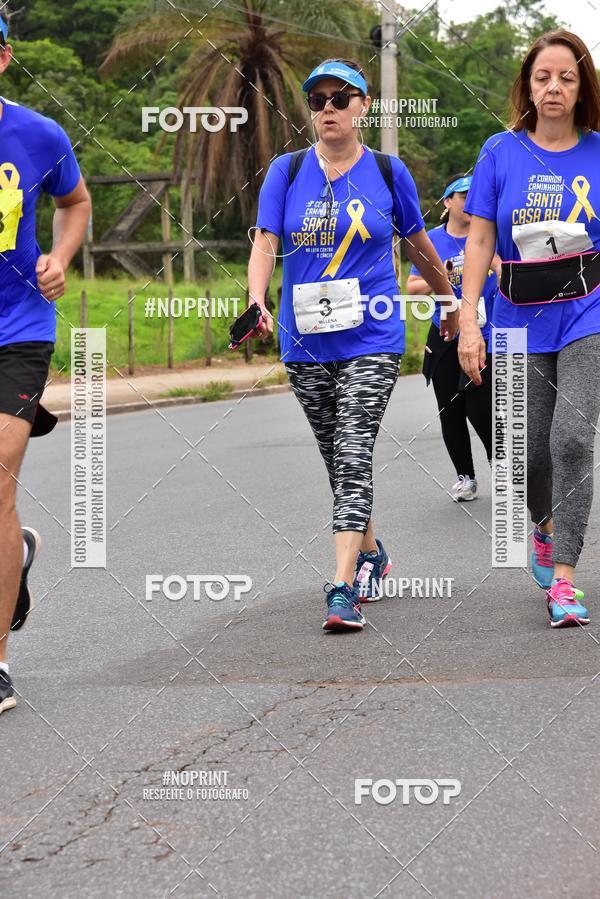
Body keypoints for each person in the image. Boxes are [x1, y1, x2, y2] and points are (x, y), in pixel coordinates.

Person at [248, 58, 457, 631]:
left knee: (353, 451)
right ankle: (371, 552)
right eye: (318, 100)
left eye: (341, 98)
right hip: (305, 341)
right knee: (336, 460)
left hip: (373, 335)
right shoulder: (286, 173)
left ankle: (341, 588)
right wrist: (257, 299)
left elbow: (418, 247)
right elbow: (266, 241)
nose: (328, 109)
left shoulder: (389, 173)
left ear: (364, 106)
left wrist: (450, 304)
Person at [459, 30, 600, 628]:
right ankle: (542, 526)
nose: (554, 88)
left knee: (572, 439)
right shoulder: (500, 151)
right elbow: (480, 237)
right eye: (544, 77)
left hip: (588, 311)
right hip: (518, 319)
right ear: (527, 84)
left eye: (567, 77)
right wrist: (469, 318)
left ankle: (564, 578)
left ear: (582, 87)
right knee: (526, 459)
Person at [0, 14, 91, 713]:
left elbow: (75, 200)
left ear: (3, 58)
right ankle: (17, 558)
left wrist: (58, 259)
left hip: (19, 325)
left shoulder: (38, 134)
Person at [407, 174, 500, 502]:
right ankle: (466, 477)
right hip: (446, 331)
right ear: (448, 202)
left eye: (474, 194)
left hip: (485, 331)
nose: (469, 201)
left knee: (481, 406)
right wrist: (441, 278)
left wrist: (500, 268)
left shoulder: (489, 234)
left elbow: (506, 270)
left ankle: (500, 469)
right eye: (462, 195)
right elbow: (413, 286)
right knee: (450, 408)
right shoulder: (432, 240)